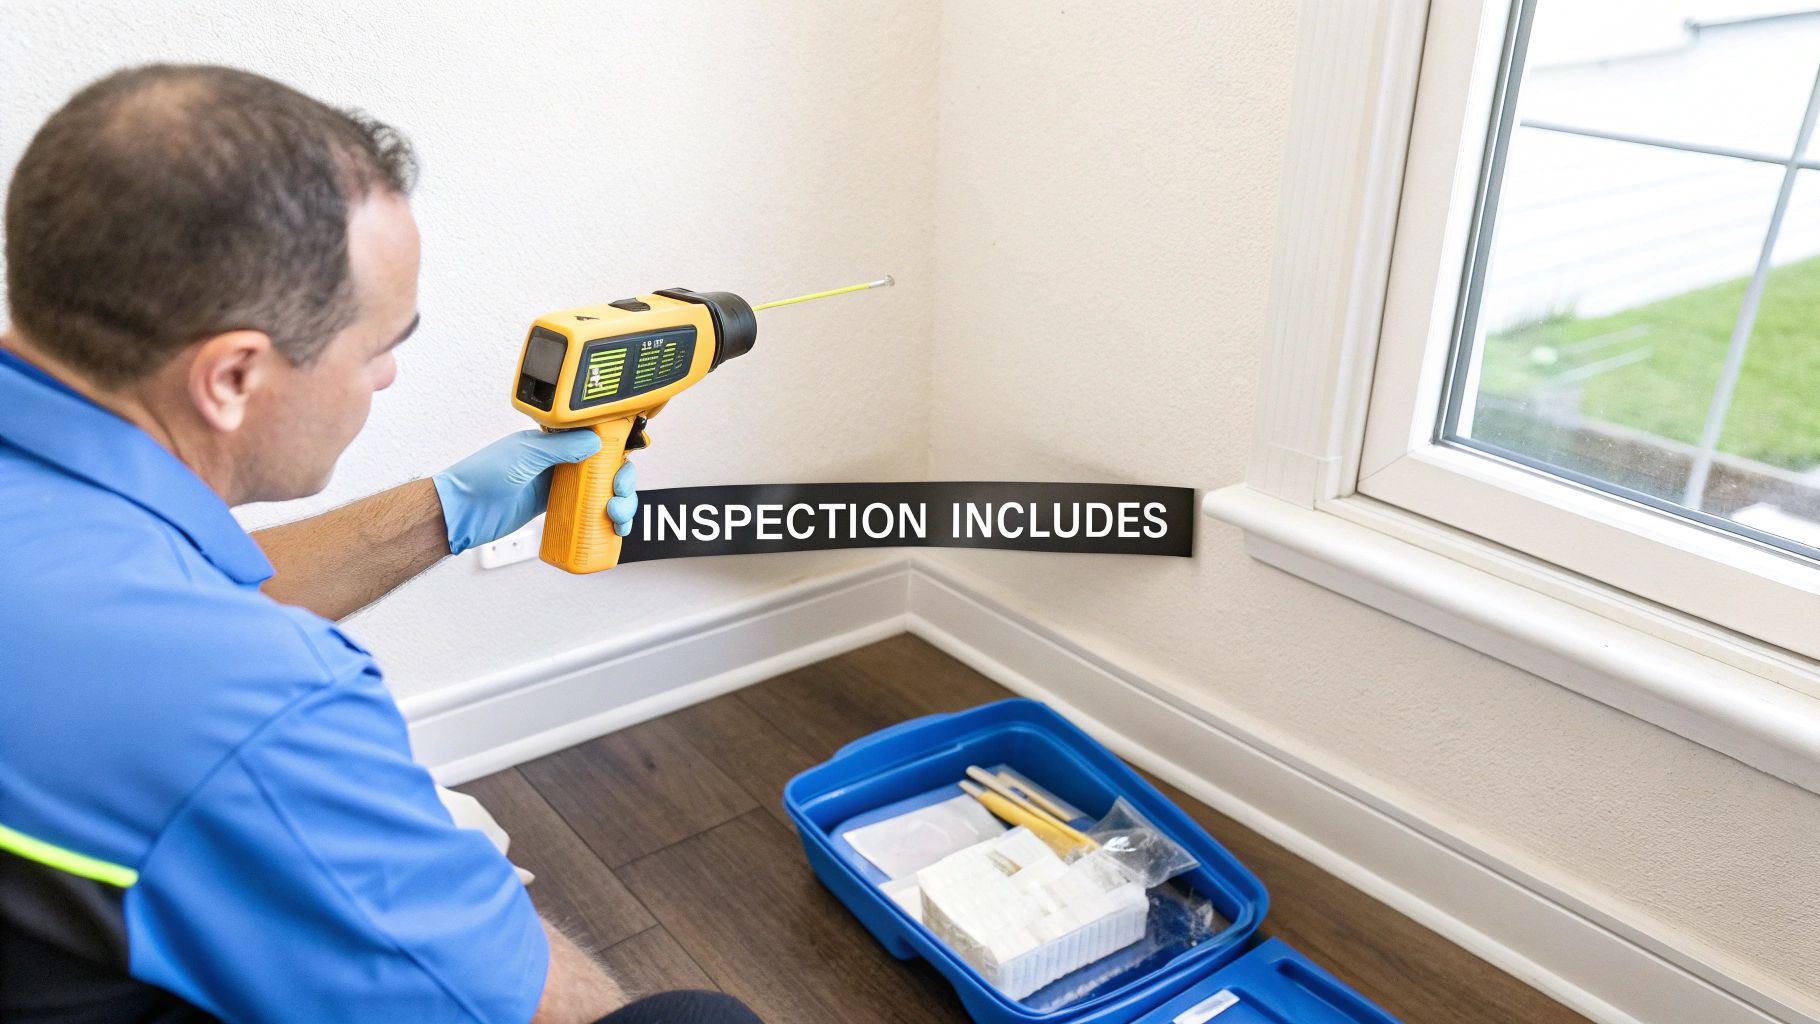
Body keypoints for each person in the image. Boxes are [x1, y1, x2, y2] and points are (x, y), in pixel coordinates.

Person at [0, 64, 761, 1024]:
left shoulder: (91, 562)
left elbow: (163, 609)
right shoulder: (258, 708)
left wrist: (446, 508)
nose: (389, 376)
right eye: (377, 347)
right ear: (232, 377)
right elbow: (520, 1000)